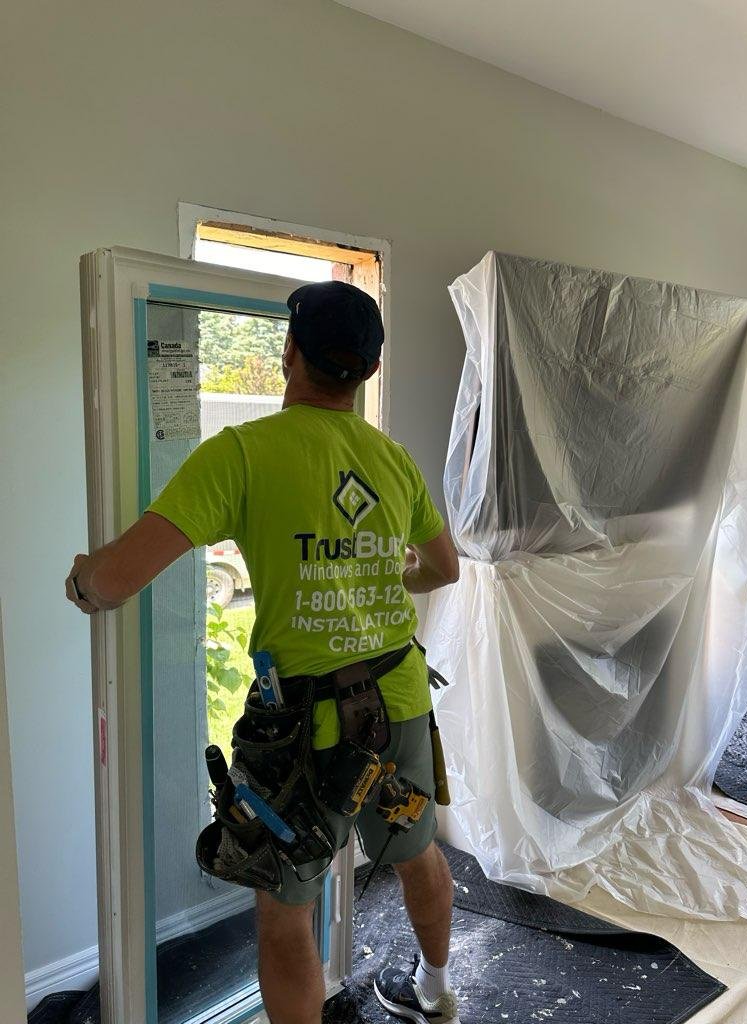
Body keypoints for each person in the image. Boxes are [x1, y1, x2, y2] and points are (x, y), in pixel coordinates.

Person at [66, 280, 461, 1024]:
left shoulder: (243, 454)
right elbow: (444, 568)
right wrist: (388, 570)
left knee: (286, 914)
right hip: (398, 701)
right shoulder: (392, 459)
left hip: (301, 728)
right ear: (370, 370)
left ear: (288, 353)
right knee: (418, 853)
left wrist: (84, 580)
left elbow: (114, 580)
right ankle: (438, 994)